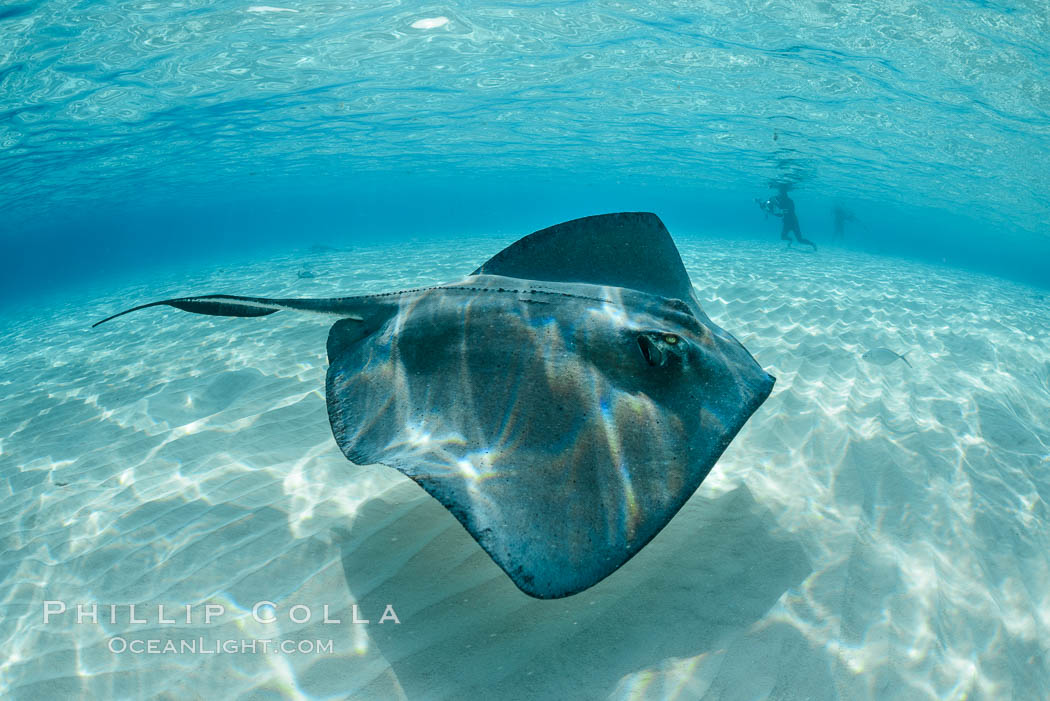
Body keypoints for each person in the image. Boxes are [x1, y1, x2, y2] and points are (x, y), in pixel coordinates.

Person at [759, 184, 817, 251]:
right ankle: (791, 240)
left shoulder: (789, 201)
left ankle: (812, 244)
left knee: (800, 240)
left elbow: (788, 211)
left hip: (794, 222)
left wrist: (779, 211)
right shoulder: (778, 200)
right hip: (786, 222)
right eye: (779, 193)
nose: (779, 195)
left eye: (780, 193)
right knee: (783, 237)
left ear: (784, 194)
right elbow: (777, 212)